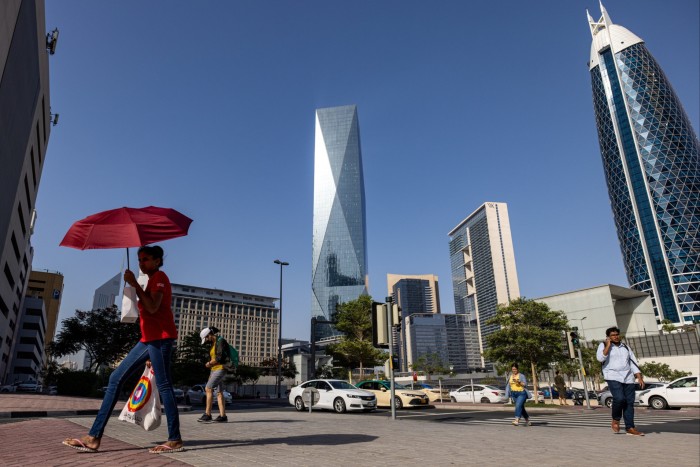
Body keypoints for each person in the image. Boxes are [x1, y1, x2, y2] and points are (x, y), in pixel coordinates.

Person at [62, 245, 184, 454]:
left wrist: (135, 284)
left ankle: (175, 439)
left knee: (164, 386)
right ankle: (93, 437)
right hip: (148, 340)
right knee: (115, 378)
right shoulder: (151, 280)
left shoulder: (160, 277)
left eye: (145, 259)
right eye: (139, 260)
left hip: (161, 339)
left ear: (157, 260)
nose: (141, 263)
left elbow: (153, 307)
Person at [597, 326, 645, 436]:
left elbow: (632, 362)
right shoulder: (603, 345)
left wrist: (639, 377)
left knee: (629, 403)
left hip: (628, 378)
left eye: (617, 334)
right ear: (608, 337)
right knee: (619, 398)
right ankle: (616, 419)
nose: (616, 337)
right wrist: (608, 345)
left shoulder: (625, 347)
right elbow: (600, 358)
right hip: (612, 376)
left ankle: (630, 428)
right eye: (613, 335)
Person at [198, 326, 233, 422]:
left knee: (208, 388)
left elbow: (219, 358)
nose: (206, 341)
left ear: (209, 335)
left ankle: (207, 414)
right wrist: (211, 370)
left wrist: (208, 363)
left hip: (221, 368)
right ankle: (223, 416)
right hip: (214, 370)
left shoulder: (220, 341)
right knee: (219, 392)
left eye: (206, 339)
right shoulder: (214, 343)